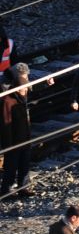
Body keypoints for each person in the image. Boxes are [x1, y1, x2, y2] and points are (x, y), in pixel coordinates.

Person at [1, 63, 34, 199]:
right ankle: (6, 190)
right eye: (24, 89)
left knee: (24, 164)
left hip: (25, 139)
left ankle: (23, 187)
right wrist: (8, 144)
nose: (26, 91)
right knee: (11, 166)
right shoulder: (8, 102)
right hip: (13, 141)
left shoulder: (22, 100)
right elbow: (5, 124)